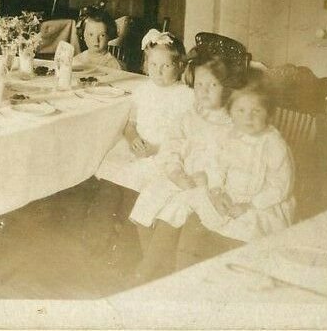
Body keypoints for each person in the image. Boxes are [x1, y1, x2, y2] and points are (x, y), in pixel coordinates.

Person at [128, 53, 238, 281]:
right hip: (180, 178)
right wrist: (176, 172)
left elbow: (231, 161)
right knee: (147, 201)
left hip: (208, 186)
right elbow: (170, 148)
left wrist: (208, 182)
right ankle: (158, 264)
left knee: (172, 213)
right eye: (199, 84)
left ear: (226, 88)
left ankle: (147, 270)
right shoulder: (188, 117)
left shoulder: (232, 124)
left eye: (213, 85)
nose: (204, 91)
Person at [92, 29, 194, 240]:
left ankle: (126, 236)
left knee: (138, 184)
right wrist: (133, 139)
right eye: (153, 65)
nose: (158, 71)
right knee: (111, 175)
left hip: (164, 152)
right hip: (137, 147)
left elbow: (187, 137)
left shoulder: (186, 96)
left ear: (180, 66)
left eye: (166, 66)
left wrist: (156, 149)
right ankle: (100, 233)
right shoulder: (143, 90)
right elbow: (131, 125)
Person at [196, 79, 296, 243]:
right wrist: (217, 190)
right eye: (240, 110)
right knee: (201, 214)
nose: (248, 117)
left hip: (263, 202)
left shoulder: (273, 143)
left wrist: (250, 206)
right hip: (230, 194)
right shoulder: (229, 135)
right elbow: (217, 166)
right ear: (230, 113)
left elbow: (280, 186)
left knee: (248, 231)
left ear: (269, 114)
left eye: (256, 111)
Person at [73, 5, 123, 70]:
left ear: (109, 36)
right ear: (83, 35)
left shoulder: (113, 65)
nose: (96, 40)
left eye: (102, 35)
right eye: (91, 34)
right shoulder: (77, 60)